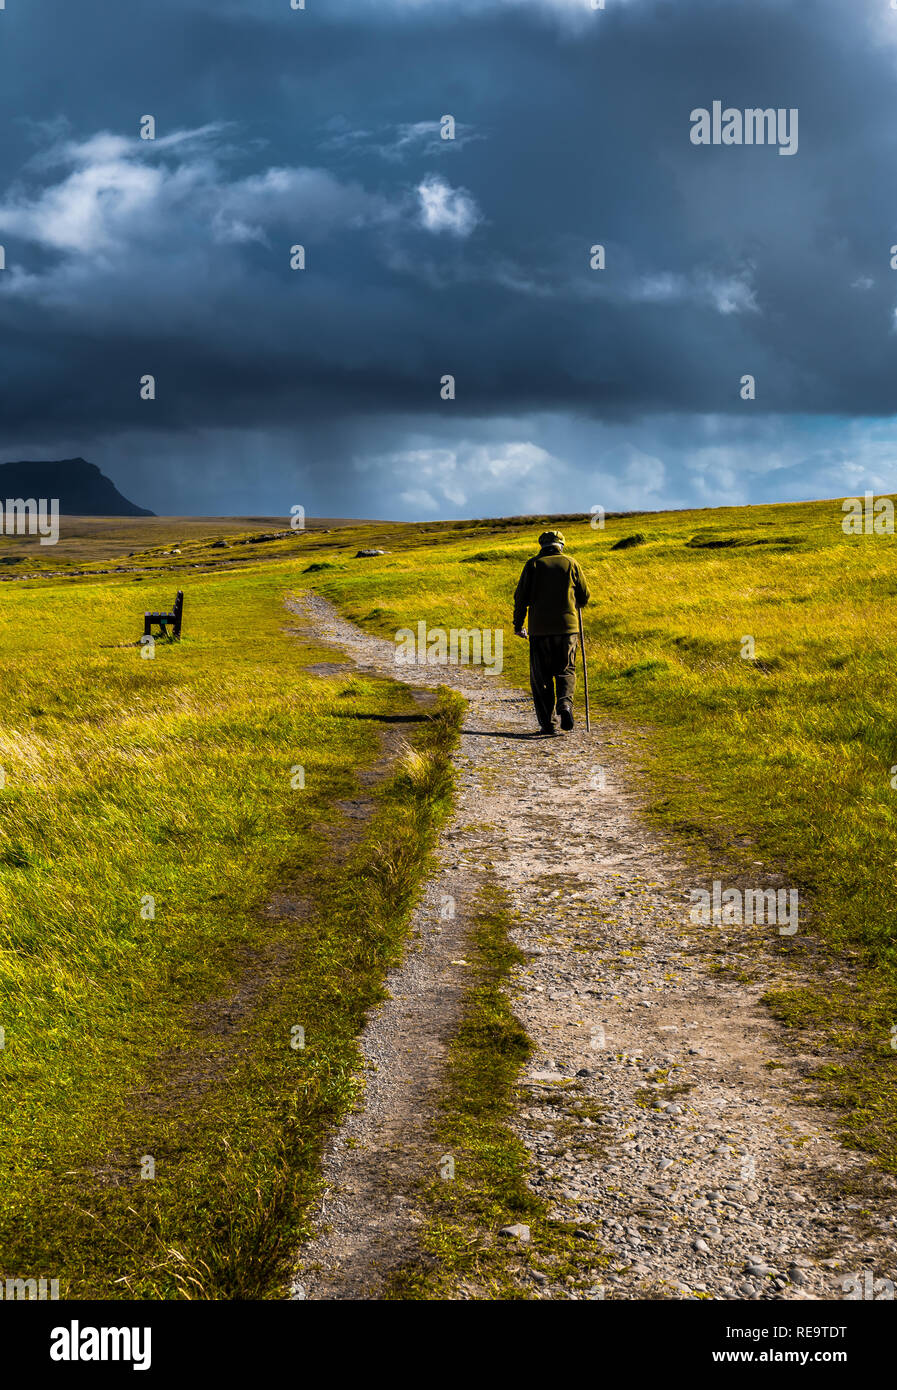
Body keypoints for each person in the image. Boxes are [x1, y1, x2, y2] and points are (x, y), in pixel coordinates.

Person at [513, 529, 591, 735]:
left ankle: (548, 724)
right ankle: (565, 705)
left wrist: (518, 625)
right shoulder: (571, 563)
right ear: (561, 545)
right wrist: (577, 602)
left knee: (542, 677)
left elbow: (520, 598)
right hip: (568, 629)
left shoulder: (533, 564)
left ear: (542, 546)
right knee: (566, 670)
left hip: (539, 630)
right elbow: (585, 594)